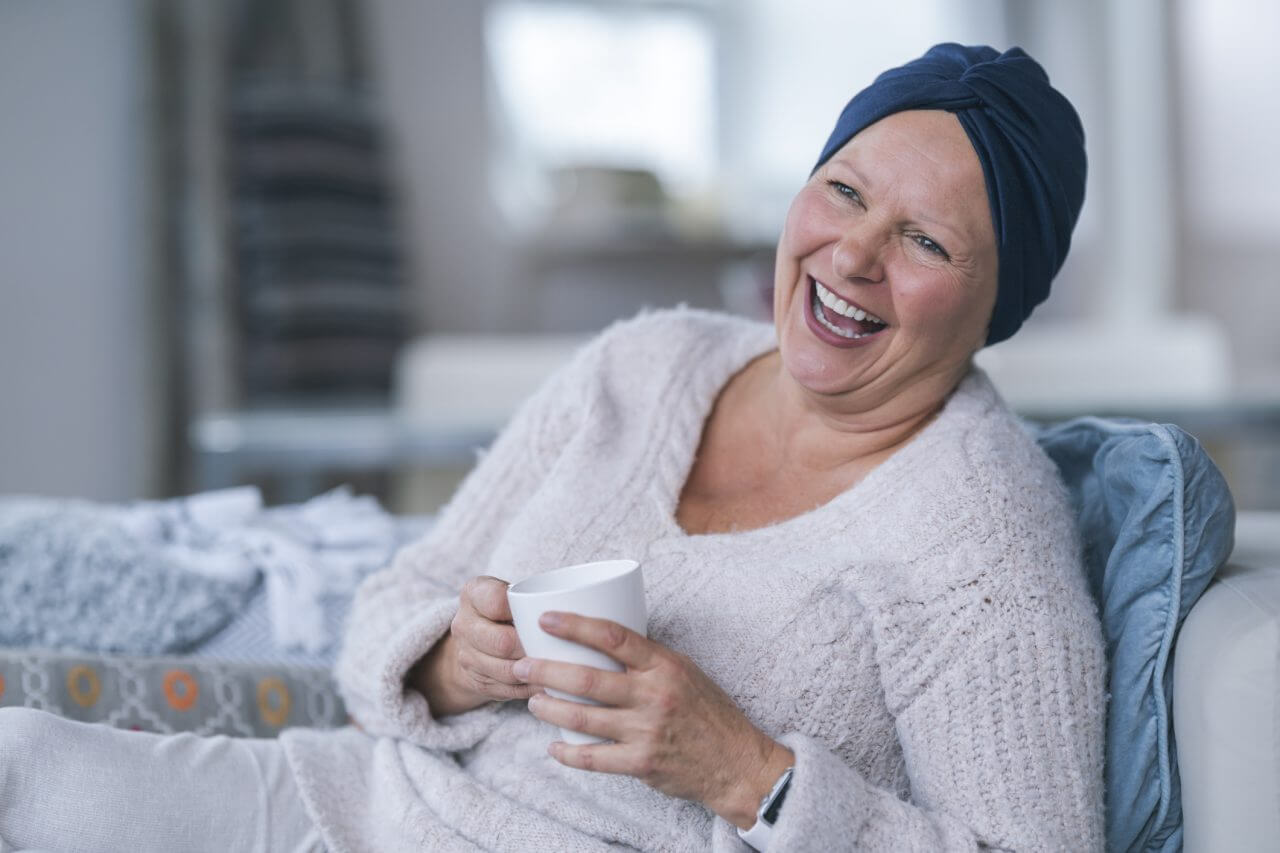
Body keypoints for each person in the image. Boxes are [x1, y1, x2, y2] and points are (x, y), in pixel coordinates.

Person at [0, 43, 1104, 852]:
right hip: (358, 806)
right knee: (23, 766)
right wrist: (450, 659)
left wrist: (749, 775)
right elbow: (401, 595)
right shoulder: (650, 363)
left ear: (997, 302)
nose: (852, 255)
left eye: (922, 239)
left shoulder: (980, 538)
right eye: (843, 191)